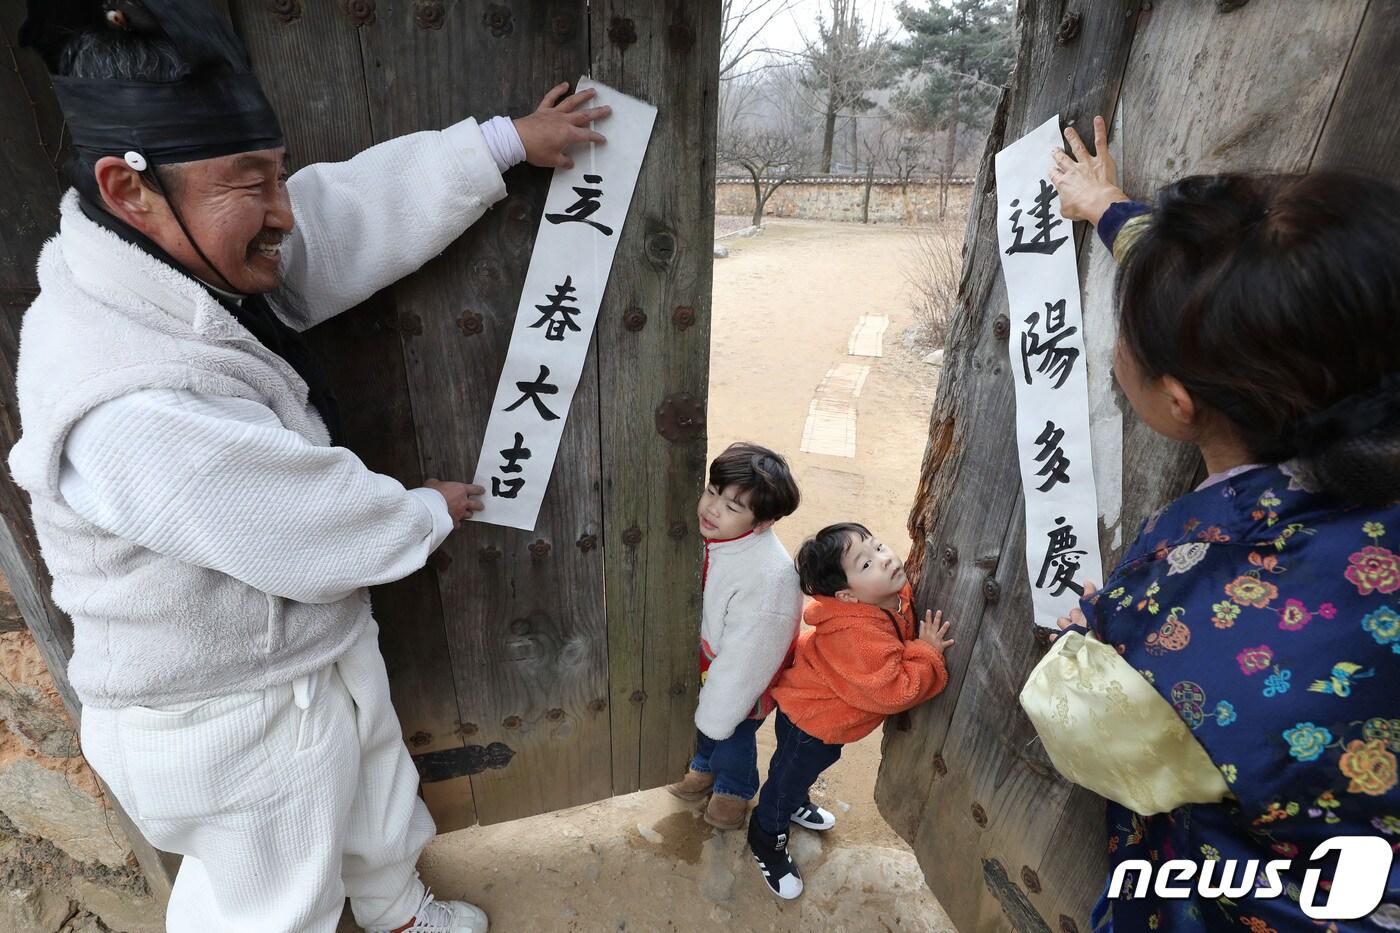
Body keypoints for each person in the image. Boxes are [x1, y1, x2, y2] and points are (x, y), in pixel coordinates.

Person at [9, 3, 609, 931]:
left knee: (376, 805)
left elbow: (337, 214)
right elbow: (290, 520)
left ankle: (402, 915)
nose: (282, 209)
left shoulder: (178, 261)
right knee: (268, 903)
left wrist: (500, 144)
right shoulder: (115, 389)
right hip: (219, 708)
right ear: (128, 190)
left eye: (275, 172)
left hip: (303, 647)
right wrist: (423, 514)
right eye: (250, 183)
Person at [1034, 115, 1400, 930]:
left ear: (1177, 400)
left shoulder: (1188, 596)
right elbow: (1247, 303)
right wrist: (1110, 211)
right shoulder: (1354, 368)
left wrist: (1093, 632)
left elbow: (1087, 728)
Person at [749, 523, 954, 899]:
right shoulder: (855, 636)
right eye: (866, 564)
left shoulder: (884, 597)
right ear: (846, 596)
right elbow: (894, 690)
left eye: (877, 546)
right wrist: (926, 652)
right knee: (784, 781)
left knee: (804, 772)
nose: (884, 558)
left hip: (827, 721)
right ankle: (766, 839)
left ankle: (795, 803)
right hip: (809, 723)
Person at [666, 443, 803, 831]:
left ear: (763, 522)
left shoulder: (768, 579)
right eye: (712, 492)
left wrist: (720, 706)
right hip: (715, 658)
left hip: (748, 674)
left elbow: (749, 659)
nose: (712, 509)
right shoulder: (724, 540)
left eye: (732, 507)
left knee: (732, 732)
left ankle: (735, 788)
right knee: (706, 720)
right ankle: (703, 767)